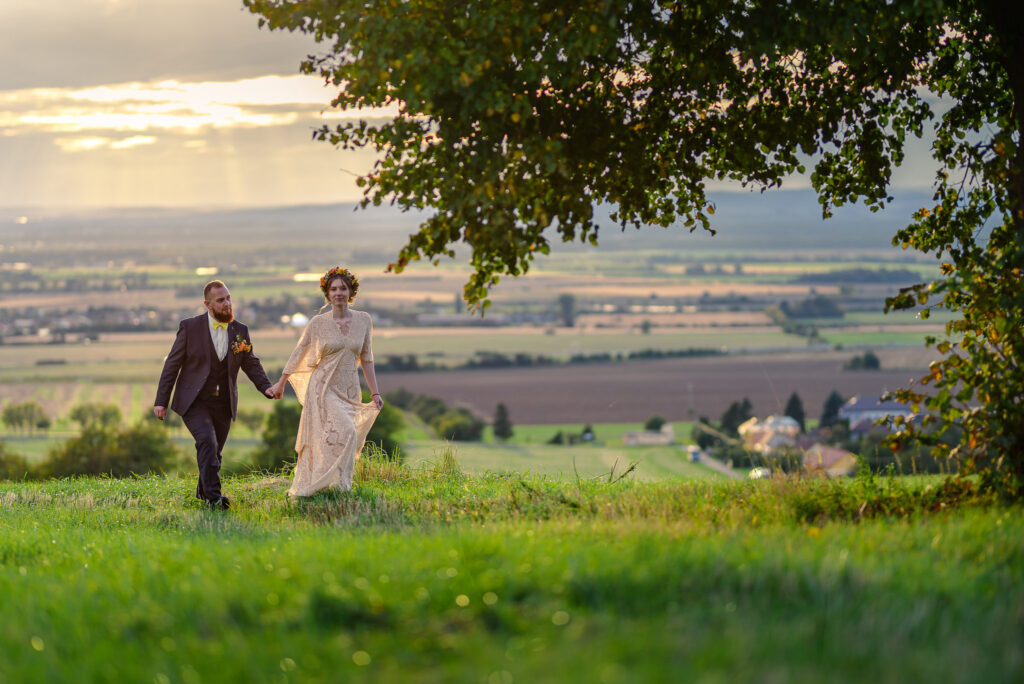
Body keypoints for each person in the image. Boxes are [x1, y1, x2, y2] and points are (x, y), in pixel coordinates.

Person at [154, 280, 276, 510]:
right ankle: (214, 499)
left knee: (214, 452)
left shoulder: (240, 331)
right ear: (207, 304)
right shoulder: (190, 328)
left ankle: (202, 492)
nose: (227, 303)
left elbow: (250, 363)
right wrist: (161, 401)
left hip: (224, 402)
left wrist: (266, 387)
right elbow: (172, 364)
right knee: (207, 441)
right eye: (221, 300)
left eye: (228, 298)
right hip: (194, 400)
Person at [269, 266, 384, 497]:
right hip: (323, 388)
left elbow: (367, 358)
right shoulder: (317, 323)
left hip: (350, 389)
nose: (338, 292)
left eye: (343, 288)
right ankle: (336, 485)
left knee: (337, 438)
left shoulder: (364, 320)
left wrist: (375, 393)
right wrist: (281, 382)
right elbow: (299, 352)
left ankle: (338, 485)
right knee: (348, 431)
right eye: (334, 289)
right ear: (327, 293)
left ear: (351, 291)